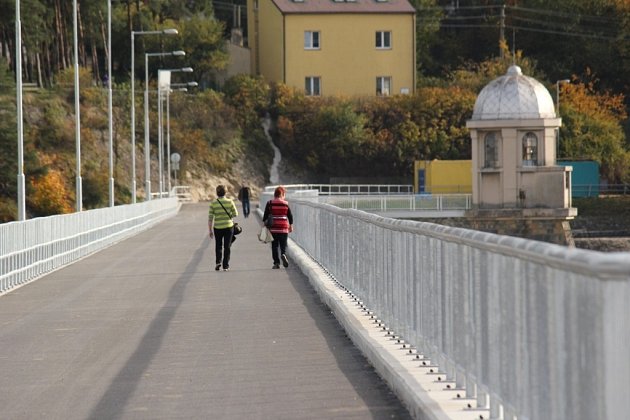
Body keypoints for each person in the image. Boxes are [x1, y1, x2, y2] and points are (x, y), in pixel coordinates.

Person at [262, 186, 293, 269]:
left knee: (274, 246)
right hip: (283, 228)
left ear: (274, 194)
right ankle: (283, 254)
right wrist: (291, 225)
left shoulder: (270, 203)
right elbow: (290, 216)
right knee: (283, 245)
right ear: (282, 194)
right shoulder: (286, 204)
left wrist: (265, 225)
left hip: (273, 228)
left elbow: (265, 216)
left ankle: (276, 263)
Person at [208, 185, 238, 271]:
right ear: (225, 192)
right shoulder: (230, 201)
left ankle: (218, 262)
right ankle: (226, 266)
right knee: (227, 246)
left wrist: (210, 230)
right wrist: (228, 216)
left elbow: (210, 218)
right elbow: (236, 213)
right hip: (228, 227)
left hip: (217, 227)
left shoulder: (213, 203)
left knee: (218, 245)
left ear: (217, 193)